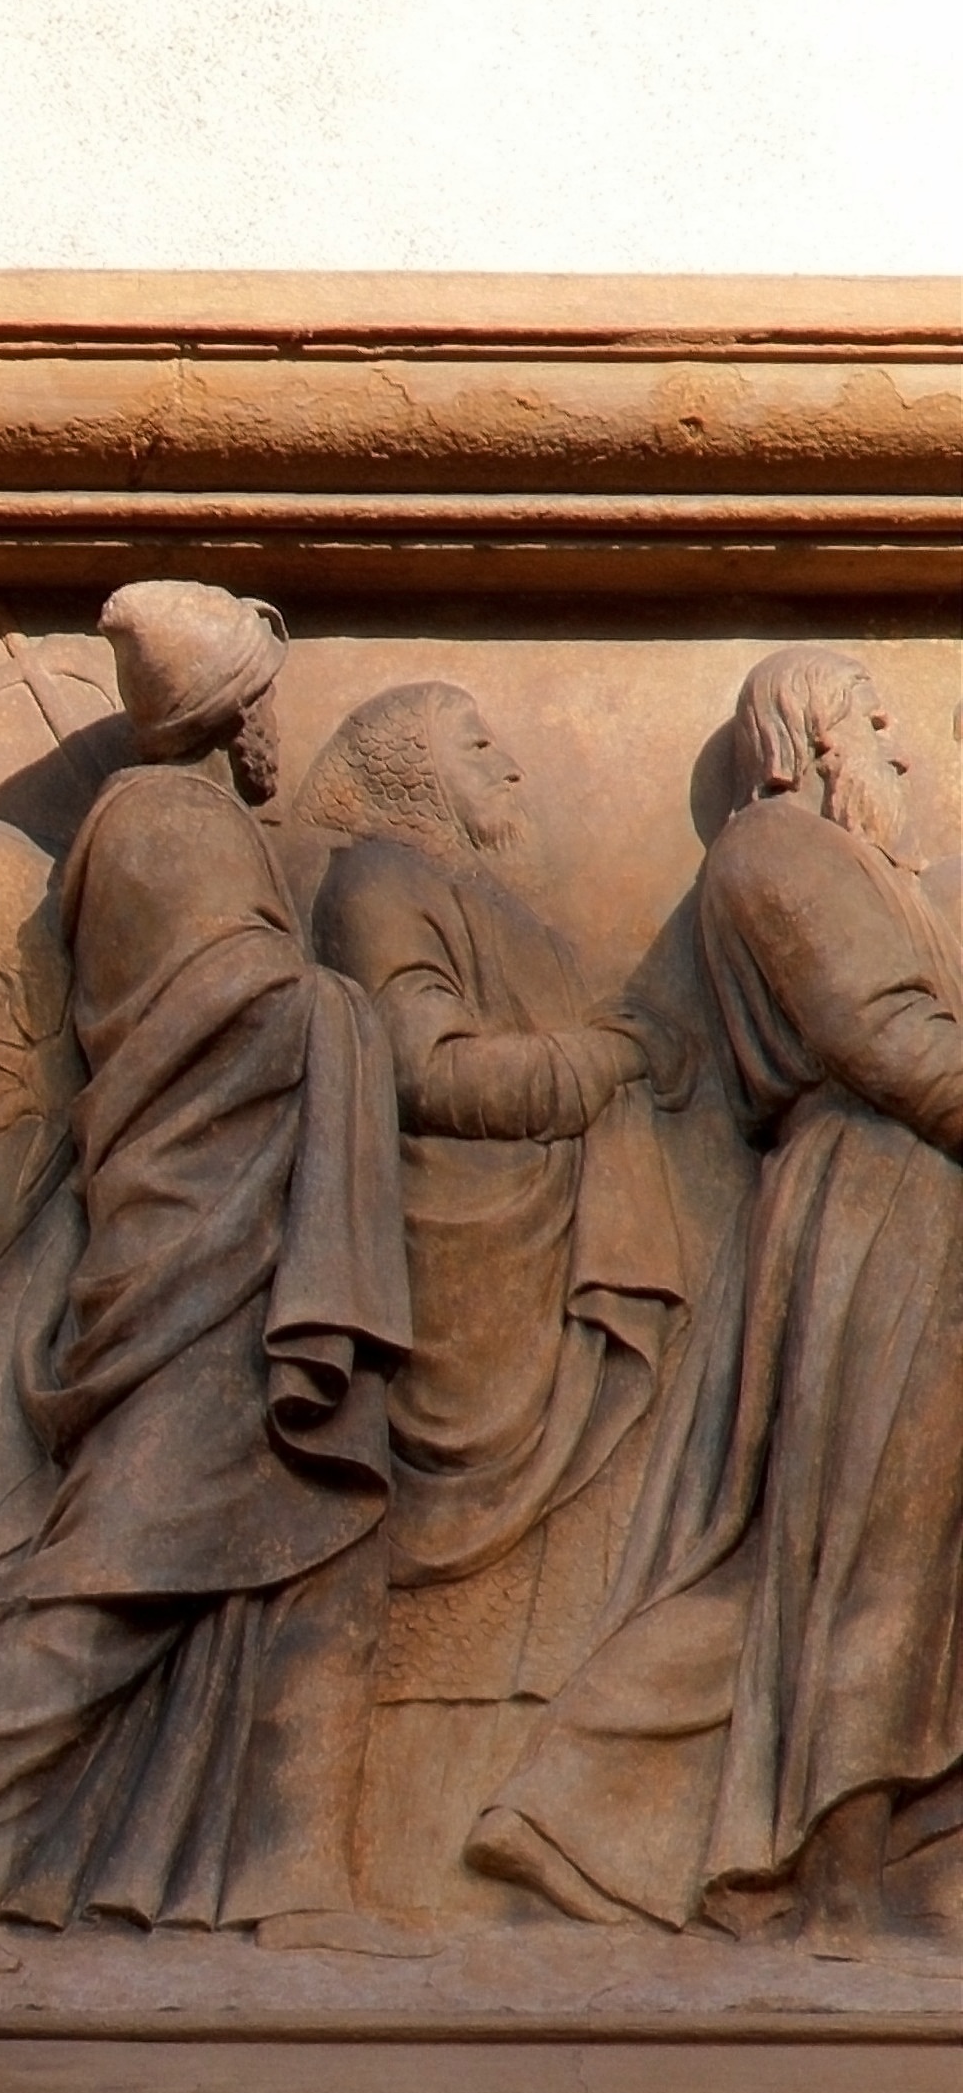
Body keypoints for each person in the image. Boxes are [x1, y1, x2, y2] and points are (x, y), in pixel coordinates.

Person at [0, 581, 413, 1967]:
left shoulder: (196, 821)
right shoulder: (166, 816)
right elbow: (207, 1013)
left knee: (308, 1551)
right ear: (233, 711)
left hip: (249, 1220)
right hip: (204, 1237)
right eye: (261, 698)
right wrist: (350, 1015)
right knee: (128, 1549)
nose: (273, 723)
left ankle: (284, 1872)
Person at [470, 648, 963, 1963]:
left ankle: (595, 1814)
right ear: (797, 741)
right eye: (873, 722)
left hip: (915, 1196)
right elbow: (884, 1039)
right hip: (881, 1204)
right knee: (866, 1547)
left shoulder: (868, 874)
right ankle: (812, 1883)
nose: (902, 753)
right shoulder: (776, 855)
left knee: (866, 1551)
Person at [292, 685, 692, 1884]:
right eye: (479, 749)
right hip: (470, 1269)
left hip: (551, 1259)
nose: (512, 771)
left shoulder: (480, 896)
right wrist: (605, 1058)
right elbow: (428, 1069)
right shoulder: (376, 882)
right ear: (412, 774)